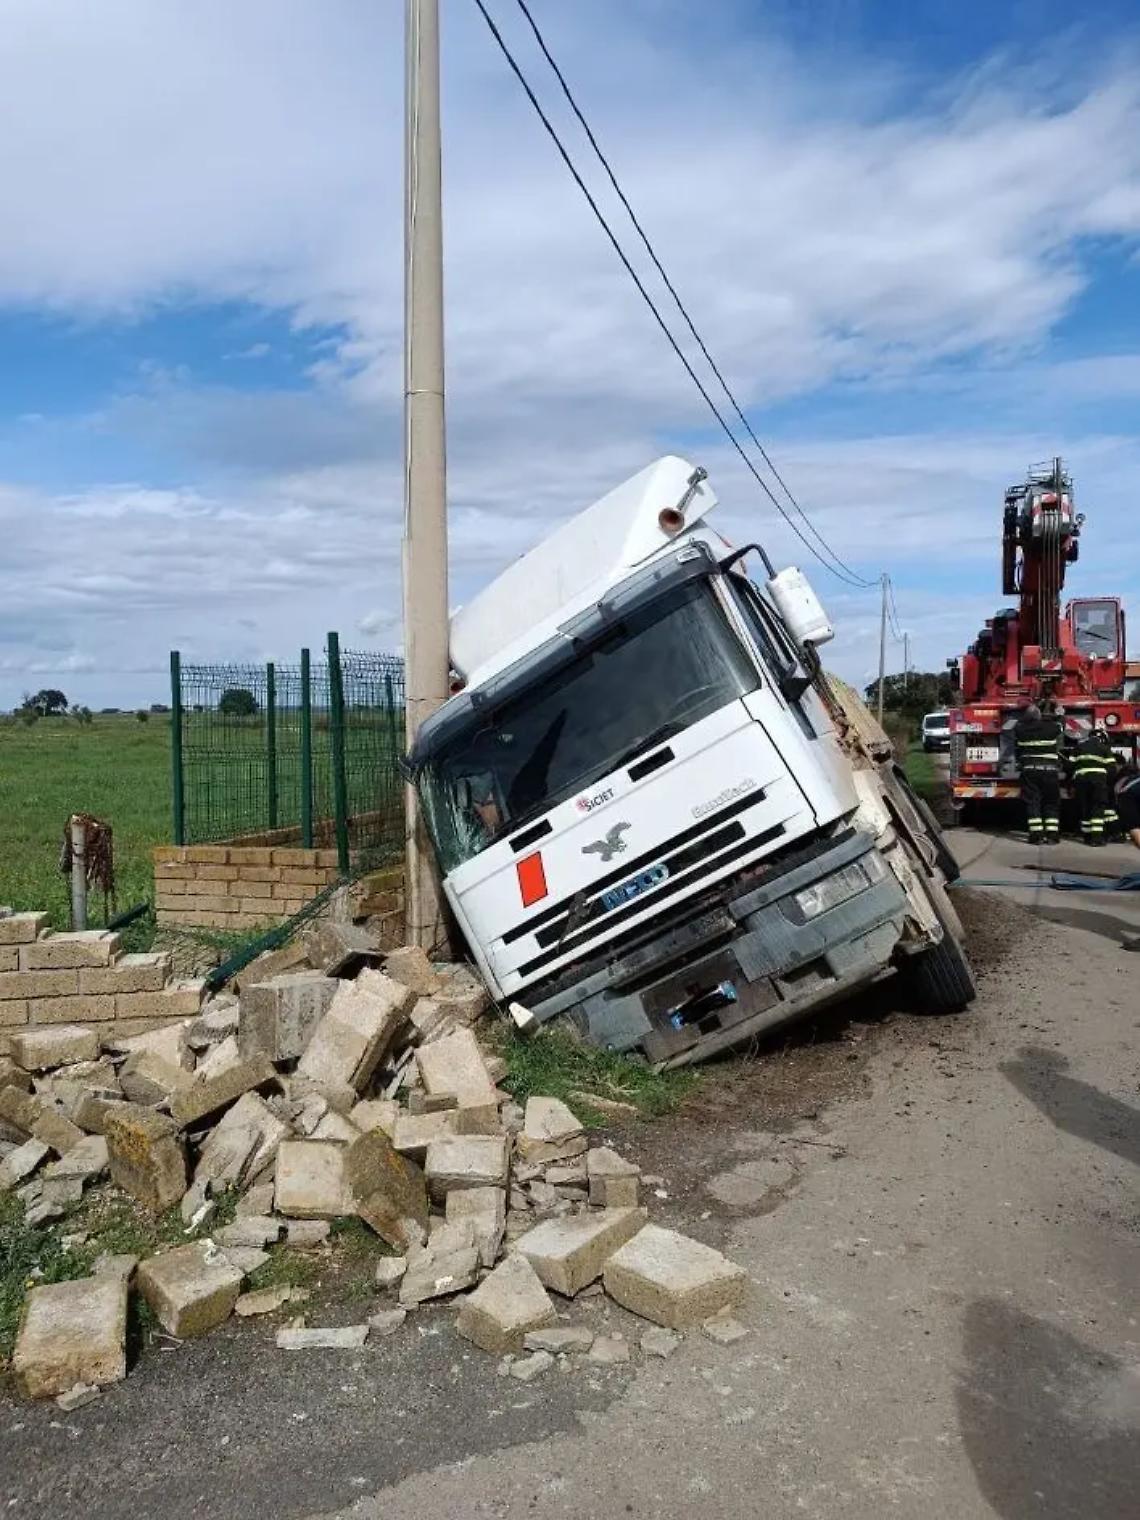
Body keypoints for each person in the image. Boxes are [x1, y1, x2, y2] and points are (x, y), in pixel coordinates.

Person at [1014, 701, 1063, 845]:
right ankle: (1052, 836)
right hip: (1049, 772)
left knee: (1032, 802)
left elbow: (1017, 726)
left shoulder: (1020, 730)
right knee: (1051, 802)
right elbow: (1062, 726)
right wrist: (1059, 714)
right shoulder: (1052, 728)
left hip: (1030, 772)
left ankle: (1036, 836)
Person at [1069, 726, 1114, 846]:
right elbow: (1112, 769)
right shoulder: (1104, 748)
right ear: (1102, 738)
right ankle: (1096, 838)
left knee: (1085, 807)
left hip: (1081, 781)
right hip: (1098, 782)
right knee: (1098, 807)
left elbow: (1069, 766)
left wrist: (1072, 781)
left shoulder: (1078, 747)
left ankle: (1087, 837)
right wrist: (1107, 783)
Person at [1113, 760, 1140, 851]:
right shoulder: (1134, 780)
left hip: (1128, 795)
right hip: (1130, 794)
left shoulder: (1121, 783)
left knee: (1134, 827)